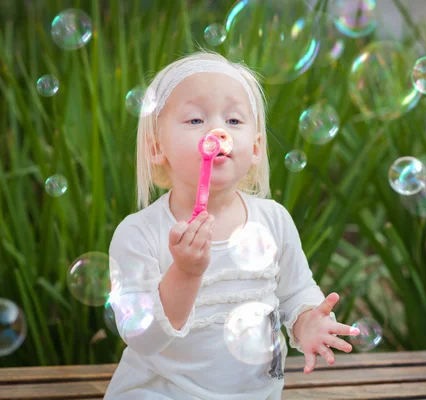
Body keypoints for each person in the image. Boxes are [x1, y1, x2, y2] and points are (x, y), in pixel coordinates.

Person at [104, 50, 361, 400]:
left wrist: (307, 322)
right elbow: (142, 338)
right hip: (161, 393)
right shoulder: (140, 233)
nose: (217, 130)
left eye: (235, 121)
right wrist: (185, 272)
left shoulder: (273, 220)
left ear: (255, 148)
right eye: (195, 120)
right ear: (155, 146)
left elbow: (295, 293)